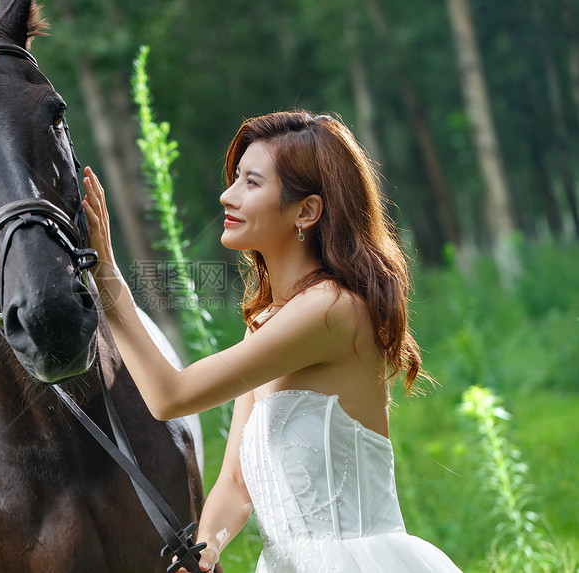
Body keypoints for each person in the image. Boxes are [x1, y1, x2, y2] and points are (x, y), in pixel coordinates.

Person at [81, 110, 462, 573]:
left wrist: (107, 276)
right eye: (235, 178)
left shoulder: (330, 310)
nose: (228, 195)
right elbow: (238, 483)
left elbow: (171, 395)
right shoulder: (266, 322)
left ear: (307, 211)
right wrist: (206, 549)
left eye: (251, 183)